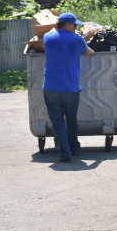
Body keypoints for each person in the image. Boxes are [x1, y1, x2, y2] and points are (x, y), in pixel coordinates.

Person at [42, 12, 94, 163]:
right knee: (71, 119)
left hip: (50, 87)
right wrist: (86, 38)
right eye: (74, 25)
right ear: (67, 25)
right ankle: (74, 147)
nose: (75, 27)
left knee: (57, 121)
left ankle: (65, 152)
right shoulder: (77, 40)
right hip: (70, 88)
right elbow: (89, 53)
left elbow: (57, 40)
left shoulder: (47, 37)